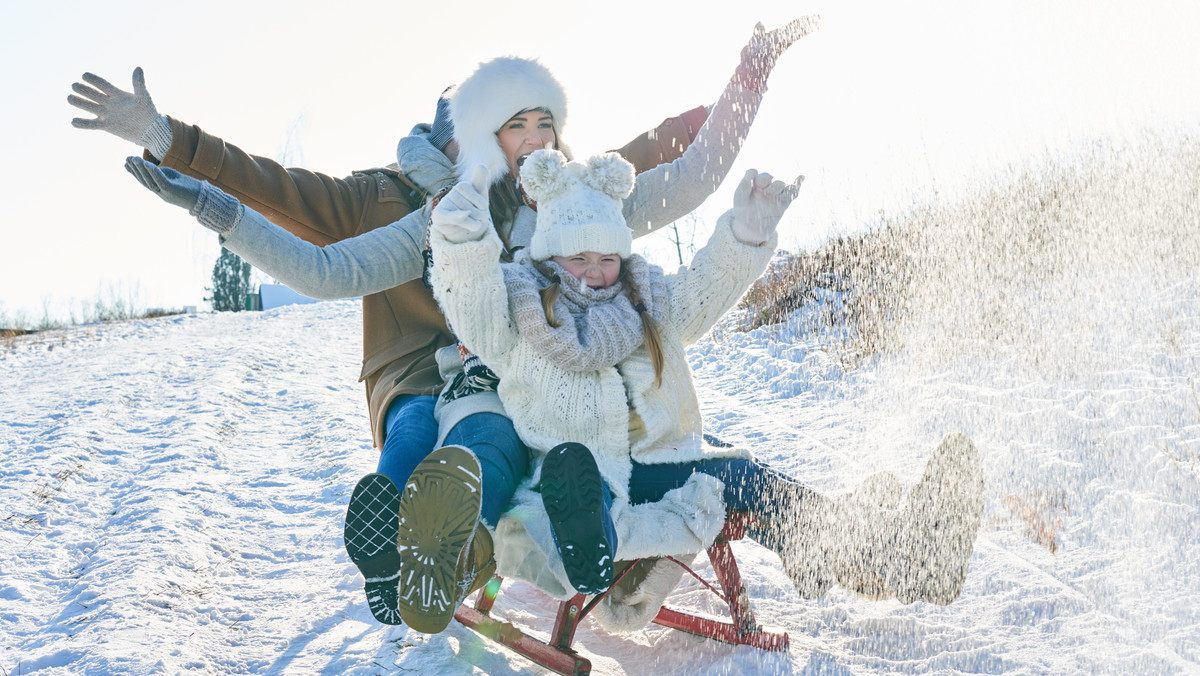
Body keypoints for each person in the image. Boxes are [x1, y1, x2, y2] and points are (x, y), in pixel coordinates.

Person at [113, 16, 821, 633]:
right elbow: (320, 265)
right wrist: (193, 179)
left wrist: (747, 79)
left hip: (603, 402)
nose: (537, 139)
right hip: (480, 390)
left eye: (547, 123)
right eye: (516, 125)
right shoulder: (431, 215)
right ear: (479, 137)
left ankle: (833, 539)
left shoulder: (572, 198)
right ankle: (431, 561)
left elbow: (681, 169)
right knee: (478, 439)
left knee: (713, 461)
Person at [425, 148, 984, 627]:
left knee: (747, 476)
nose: (595, 273)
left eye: (607, 258)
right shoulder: (520, 309)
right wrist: (460, 238)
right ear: (550, 254)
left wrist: (745, 234)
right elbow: (471, 304)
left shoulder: (642, 299)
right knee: (734, 476)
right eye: (578, 258)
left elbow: (700, 292)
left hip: (654, 465)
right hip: (570, 476)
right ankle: (869, 551)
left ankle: (883, 551)